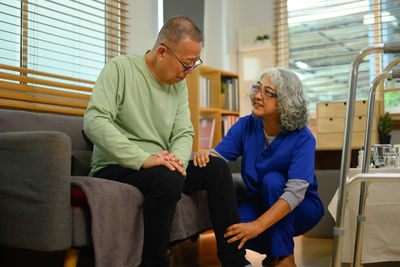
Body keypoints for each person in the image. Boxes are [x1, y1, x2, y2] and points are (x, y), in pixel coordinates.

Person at [84, 16, 252, 267]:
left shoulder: (178, 85)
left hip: (162, 164)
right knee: (167, 175)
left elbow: (184, 132)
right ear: (162, 52)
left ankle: (235, 261)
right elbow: (94, 122)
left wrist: (177, 161)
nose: (187, 73)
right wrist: (144, 159)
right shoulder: (120, 68)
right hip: (117, 166)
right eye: (185, 64)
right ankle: (153, 262)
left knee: (216, 169)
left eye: (194, 65)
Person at [193, 68, 325, 267]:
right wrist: (205, 155)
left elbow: (296, 193)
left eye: (267, 92)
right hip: (259, 203)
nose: (257, 95)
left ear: (285, 101)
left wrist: (258, 225)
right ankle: (274, 254)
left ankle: (284, 257)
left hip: (300, 208)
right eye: (257, 88)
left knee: (272, 180)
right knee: (231, 228)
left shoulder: (303, 138)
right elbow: (218, 156)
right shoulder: (246, 125)